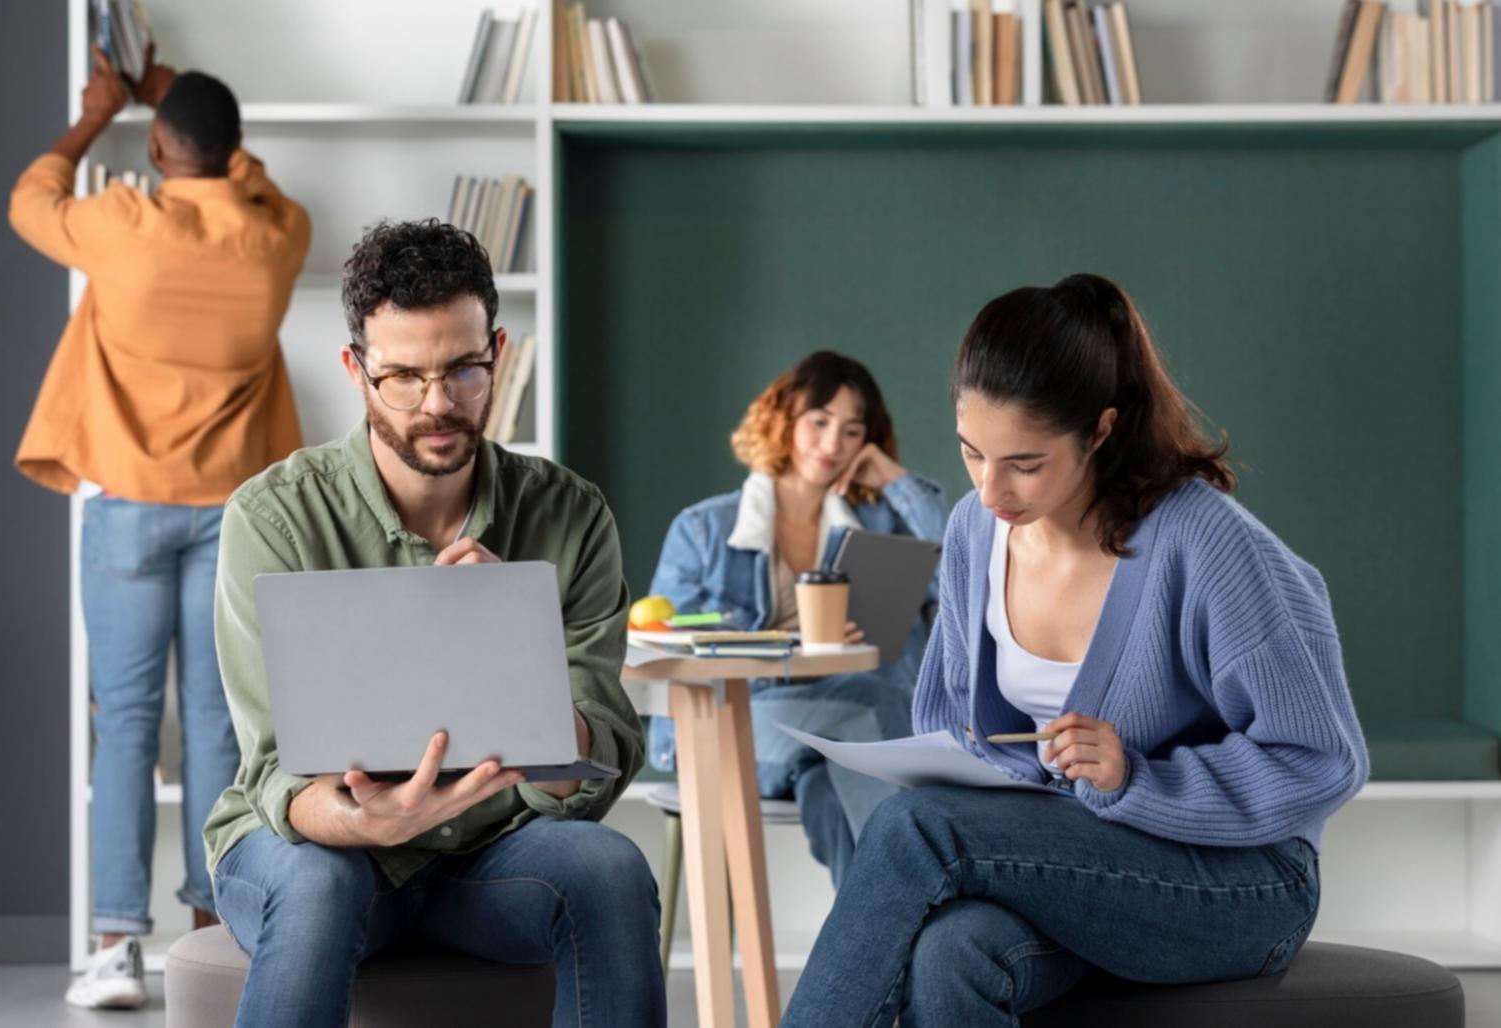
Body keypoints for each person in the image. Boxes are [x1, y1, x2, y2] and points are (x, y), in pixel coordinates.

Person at [780, 273, 1369, 1027]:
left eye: (1023, 464)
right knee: (952, 952)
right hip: (1071, 861)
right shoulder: (971, 531)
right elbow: (955, 727)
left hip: (1239, 883)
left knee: (914, 827)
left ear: (1100, 430)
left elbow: (1321, 758)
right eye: (971, 454)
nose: (991, 491)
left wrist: (1135, 776)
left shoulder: (1206, 542)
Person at [203, 219, 663, 1028]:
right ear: (355, 369)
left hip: (486, 859)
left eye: (463, 371)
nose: (439, 404)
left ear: (498, 352)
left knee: (610, 868)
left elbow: (598, 763)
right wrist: (359, 820)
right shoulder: (273, 517)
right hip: (321, 848)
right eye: (404, 378)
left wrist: (514, 656)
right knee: (319, 881)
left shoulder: (571, 514)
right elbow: (278, 770)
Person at [9, 47, 309, 1009]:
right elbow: (262, 195)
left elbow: (30, 198)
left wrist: (100, 113)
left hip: (130, 508)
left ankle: (113, 950)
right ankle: (213, 933)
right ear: (233, 153)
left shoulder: (122, 223)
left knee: (129, 727)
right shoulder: (275, 242)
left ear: (159, 151)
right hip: (231, 512)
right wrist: (182, 115)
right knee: (222, 726)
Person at [648, 351, 948, 887]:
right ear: (785, 417)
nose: (833, 445)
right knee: (875, 700)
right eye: (819, 422)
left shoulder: (876, 527)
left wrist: (896, 479)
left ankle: (873, 959)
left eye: (852, 431)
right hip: (735, 725)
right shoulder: (703, 529)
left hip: (838, 739)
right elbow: (668, 654)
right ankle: (918, 928)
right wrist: (786, 646)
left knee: (831, 790)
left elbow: (960, 578)